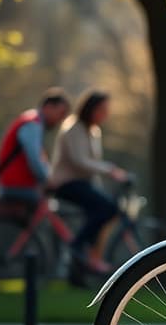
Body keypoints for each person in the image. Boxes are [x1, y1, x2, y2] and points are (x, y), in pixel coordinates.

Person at [49, 90, 127, 285]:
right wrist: (110, 170)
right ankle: (77, 246)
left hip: (82, 183)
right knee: (107, 208)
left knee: (104, 210)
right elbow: (79, 161)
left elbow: (91, 165)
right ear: (91, 109)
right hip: (66, 183)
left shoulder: (93, 131)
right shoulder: (74, 128)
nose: (105, 114)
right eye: (102, 110)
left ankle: (83, 264)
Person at [0, 87, 71, 209]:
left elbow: (40, 159)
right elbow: (35, 159)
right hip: (16, 185)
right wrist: (48, 181)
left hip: (19, 184)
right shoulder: (32, 124)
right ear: (48, 107)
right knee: (59, 206)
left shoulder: (33, 122)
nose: (61, 120)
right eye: (61, 113)